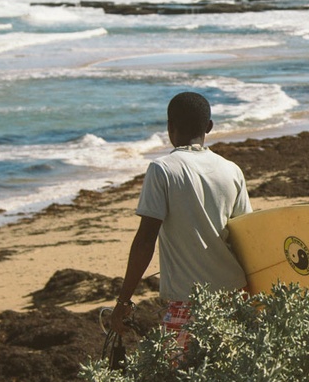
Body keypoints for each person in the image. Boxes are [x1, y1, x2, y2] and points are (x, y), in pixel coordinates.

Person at [107, 92, 251, 352]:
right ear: (209, 127)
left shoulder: (163, 169)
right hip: (234, 296)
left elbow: (145, 240)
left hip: (188, 302)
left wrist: (123, 301)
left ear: (169, 127)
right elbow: (246, 237)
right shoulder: (232, 170)